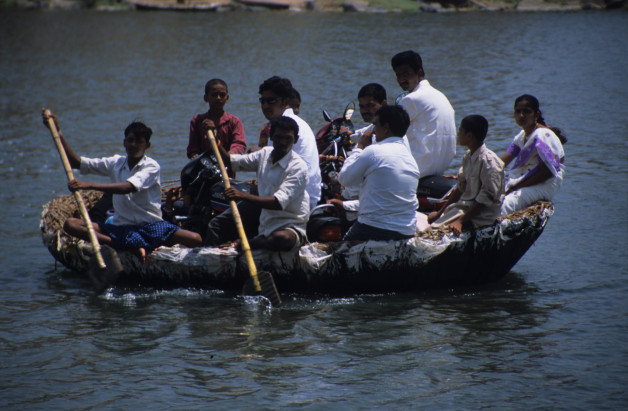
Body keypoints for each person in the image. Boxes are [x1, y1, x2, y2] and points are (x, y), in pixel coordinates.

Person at [42, 110, 202, 261]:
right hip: (121, 228)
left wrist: (88, 185)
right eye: (130, 140)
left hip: (150, 227)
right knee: (71, 224)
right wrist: (58, 132)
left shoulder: (152, 166)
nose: (134, 145)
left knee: (196, 239)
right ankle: (124, 246)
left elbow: (128, 187)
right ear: (124, 143)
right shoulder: (116, 163)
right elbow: (76, 163)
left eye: (139, 142)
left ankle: (132, 245)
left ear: (147, 145)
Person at [210, 116, 310, 251]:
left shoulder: (298, 167)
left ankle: (249, 244)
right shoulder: (265, 153)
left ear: (295, 140)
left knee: (282, 238)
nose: (283, 142)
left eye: (288, 138)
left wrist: (242, 196)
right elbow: (230, 162)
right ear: (271, 137)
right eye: (279, 137)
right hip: (266, 226)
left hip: (291, 226)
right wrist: (215, 140)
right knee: (216, 225)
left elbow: (277, 203)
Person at [338, 105, 420, 242]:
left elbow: (344, 179)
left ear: (386, 127)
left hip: (373, 229)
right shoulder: (410, 159)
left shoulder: (374, 151)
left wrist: (359, 148)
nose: (373, 131)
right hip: (407, 230)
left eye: (375, 125)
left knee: (338, 253)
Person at [427, 115, 504, 235]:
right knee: (432, 227)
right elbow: (460, 188)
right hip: (465, 208)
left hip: (482, 216)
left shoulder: (490, 162)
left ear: (469, 136)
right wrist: (439, 213)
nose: (458, 134)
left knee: (435, 232)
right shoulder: (468, 156)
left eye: (460, 131)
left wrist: (460, 221)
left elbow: (485, 199)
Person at [257, 76, 321, 209]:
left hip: (292, 202)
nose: (265, 106)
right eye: (263, 101)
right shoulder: (298, 122)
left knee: (218, 223)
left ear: (286, 101)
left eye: (271, 101)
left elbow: (270, 168)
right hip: (307, 198)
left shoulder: (283, 127)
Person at [391, 50, 457, 178]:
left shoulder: (412, 99)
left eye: (406, 74)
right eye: (398, 75)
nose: (401, 80)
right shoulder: (440, 95)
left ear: (419, 72)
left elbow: (387, 128)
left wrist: (357, 137)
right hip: (439, 169)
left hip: (418, 170)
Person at [329, 83, 388, 220]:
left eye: (370, 105)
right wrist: (349, 135)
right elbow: (363, 132)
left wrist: (360, 146)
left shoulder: (378, 140)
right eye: (361, 106)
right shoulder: (379, 127)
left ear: (383, 104)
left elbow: (347, 179)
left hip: (369, 209)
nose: (365, 110)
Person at [500, 94, 566, 215]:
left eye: (526, 112)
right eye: (518, 111)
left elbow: (547, 172)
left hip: (545, 184)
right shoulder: (522, 136)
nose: (521, 115)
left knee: (505, 204)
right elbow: (500, 163)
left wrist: (515, 187)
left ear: (536, 114)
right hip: (523, 180)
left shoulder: (542, 135)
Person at [186, 79, 246, 170]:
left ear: (227, 98)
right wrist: (195, 157)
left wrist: (227, 156)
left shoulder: (234, 122)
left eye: (222, 95)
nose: (218, 98)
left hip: (227, 174)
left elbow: (238, 147)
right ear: (206, 98)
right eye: (214, 95)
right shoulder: (197, 121)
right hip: (204, 173)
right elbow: (193, 150)